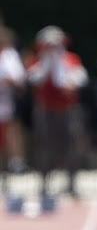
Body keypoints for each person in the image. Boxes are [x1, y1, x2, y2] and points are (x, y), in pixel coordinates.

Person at [26, 26, 89, 200]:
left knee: (71, 147)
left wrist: (70, 79)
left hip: (68, 110)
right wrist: (48, 64)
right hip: (45, 110)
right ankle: (44, 184)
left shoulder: (70, 59)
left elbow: (81, 78)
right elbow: (33, 78)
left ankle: (71, 184)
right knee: (44, 147)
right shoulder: (37, 60)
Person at [0, 25, 27, 179]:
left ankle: (16, 162)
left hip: (8, 100)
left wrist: (6, 82)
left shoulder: (10, 56)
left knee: (13, 132)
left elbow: (18, 78)